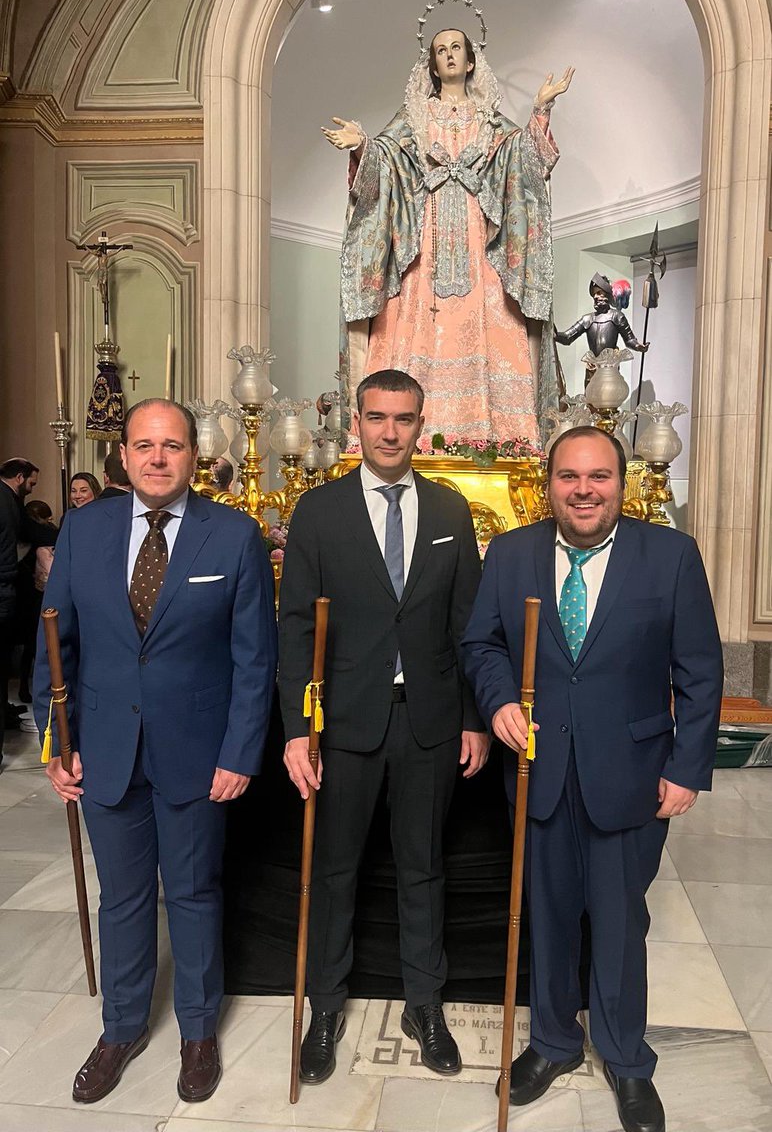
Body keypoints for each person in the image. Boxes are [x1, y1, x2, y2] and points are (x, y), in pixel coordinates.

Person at [461, 426, 723, 1132]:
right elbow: (482, 642)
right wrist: (499, 701)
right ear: (547, 485)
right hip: (538, 772)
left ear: (621, 482)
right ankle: (551, 1043)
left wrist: (687, 767)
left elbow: (699, 670)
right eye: (569, 477)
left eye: (598, 477)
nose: (583, 490)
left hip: (633, 775)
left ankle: (626, 1058)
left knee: (618, 923)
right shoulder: (512, 555)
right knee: (546, 919)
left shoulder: (670, 556)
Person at [33, 399, 277, 1105]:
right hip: (104, 749)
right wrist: (57, 742)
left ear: (194, 456)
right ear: (125, 457)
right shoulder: (84, 529)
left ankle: (199, 1032)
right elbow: (59, 646)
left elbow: (253, 661)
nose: (157, 457)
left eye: (171, 445)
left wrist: (239, 753)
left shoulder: (233, 536)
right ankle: (121, 1027)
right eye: (144, 445)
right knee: (123, 899)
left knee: (195, 895)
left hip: (198, 755)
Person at [279, 368, 489, 1083]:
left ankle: (423, 1005)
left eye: (403, 419)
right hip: (342, 724)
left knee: (423, 868)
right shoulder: (318, 511)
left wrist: (473, 718)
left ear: (419, 425)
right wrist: (297, 729)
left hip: (429, 722)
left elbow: (468, 625)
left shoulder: (451, 511)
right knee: (335, 871)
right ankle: (327, 1007)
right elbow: (297, 628)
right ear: (357, 425)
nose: (390, 432)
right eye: (377, 418)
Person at [325, 10, 572, 448]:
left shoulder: (492, 120)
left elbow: (527, 161)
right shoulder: (415, 118)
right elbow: (388, 159)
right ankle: (408, 435)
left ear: (471, 60)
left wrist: (541, 110)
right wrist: (363, 144)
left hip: (481, 245)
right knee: (411, 326)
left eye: (456, 47)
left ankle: (500, 437)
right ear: (432, 64)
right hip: (425, 244)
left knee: (494, 320)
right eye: (441, 50)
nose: (449, 55)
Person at [0, 459, 56, 764]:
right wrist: (63, 536)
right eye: (31, 483)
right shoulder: (9, 502)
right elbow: (33, 531)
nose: (31, 488)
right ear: (20, 478)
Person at [555, 273, 648, 387]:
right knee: (591, 400)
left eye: (599, 293)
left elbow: (629, 340)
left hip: (610, 368)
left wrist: (639, 346)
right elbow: (568, 337)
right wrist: (555, 335)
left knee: (610, 400)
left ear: (607, 294)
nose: (595, 296)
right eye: (594, 294)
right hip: (592, 367)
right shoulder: (587, 319)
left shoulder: (617, 316)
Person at [16, 499, 56, 704]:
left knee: (31, 645)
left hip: (27, 595)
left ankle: (25, 686)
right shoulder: (48, 535)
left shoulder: (25, 538)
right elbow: (49, 569)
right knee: (41, 643)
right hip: (40, 595)